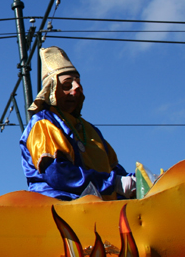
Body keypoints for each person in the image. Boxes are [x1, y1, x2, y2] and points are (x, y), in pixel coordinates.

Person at [20, 46, 135, 201]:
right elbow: (58, 174)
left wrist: (139, 180)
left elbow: (115, 170)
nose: (76, 89)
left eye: (78, 85)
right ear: (51, 90)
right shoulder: (44, 124)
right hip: (62, 209)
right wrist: (112, 183)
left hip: (100, 208)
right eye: (67, 86)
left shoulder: (90, 129)